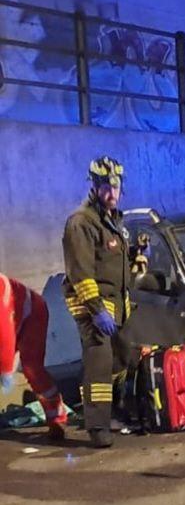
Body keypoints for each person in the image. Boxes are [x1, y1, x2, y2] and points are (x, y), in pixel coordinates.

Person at [62, 156, 136, 448]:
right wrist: (96, 311)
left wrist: (137, 257)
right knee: (99, 364)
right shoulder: (81, 222)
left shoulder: (112, 221)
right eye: (106, 186)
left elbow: (114, 264)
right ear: (94, 186)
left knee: (122, 358)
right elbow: (80, 273)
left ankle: (112, 413)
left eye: (116, 186)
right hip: (93, 307)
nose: (112, 192)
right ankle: (97, 426)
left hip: (117, 306)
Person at [0, 273, 67, 440]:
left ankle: (56, 417)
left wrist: (6, 369)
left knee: (33, 369)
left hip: (32, 314)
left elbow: (4, 332)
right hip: (13, 317)